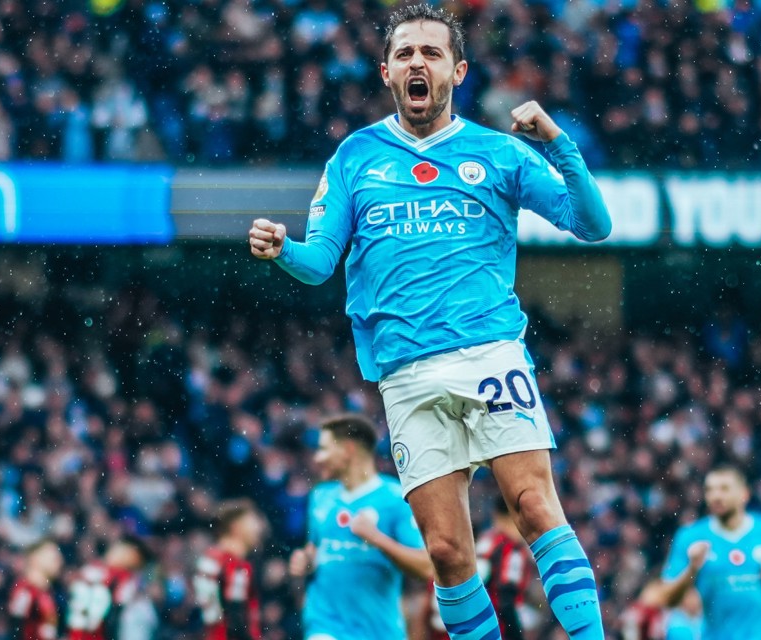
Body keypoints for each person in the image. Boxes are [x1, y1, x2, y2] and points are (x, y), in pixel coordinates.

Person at [249, 4, 610, 639]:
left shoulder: (499, 153)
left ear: (458, 70)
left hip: (490, 353)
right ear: (387, 70)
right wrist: (283, 251)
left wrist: (557, 142)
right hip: (405, 374)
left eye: (433, 53)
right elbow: (319, 263)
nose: (419, 62)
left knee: (531, 504)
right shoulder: (355, 157)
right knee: (446, 552)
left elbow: (593, 224)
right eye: (407, 53)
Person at [288, 415, 434, 639]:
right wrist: (306, 561)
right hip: (325, 625)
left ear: (348, 449)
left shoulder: (395, 499)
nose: (318, 458)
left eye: (324, 449)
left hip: (378, 630)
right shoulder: (321, 496)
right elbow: (315, 549)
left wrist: (377, 539)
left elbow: (426, 568)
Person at [659, 466, 761, 640]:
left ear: (744, 494)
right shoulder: (690, 536)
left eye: (724, 489)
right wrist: (692, 570)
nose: (716, 496)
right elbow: (668, 597)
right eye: (710, 490)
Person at [425, 494, 536, 640]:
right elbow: (506, 601)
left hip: (453, 629)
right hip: (488, 632)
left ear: (495, 513)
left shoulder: (482, 541)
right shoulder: (511, 549)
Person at [194, 499, 267, 640]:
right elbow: (225, 620)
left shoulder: (237, 564)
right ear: (236, 527)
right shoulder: (219, 564)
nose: (259, 528)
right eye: (253, 522)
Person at [66, 535, 157, 640]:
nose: (120, 555)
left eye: (129, 554)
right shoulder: (92, 570)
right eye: (120, 549)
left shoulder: (128, 583)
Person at [10, 539, 64, 640]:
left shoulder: (49, 592)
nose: (60, 561)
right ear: (35, 558)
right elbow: (16, 626)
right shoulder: (25, 590)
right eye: (54, 557)